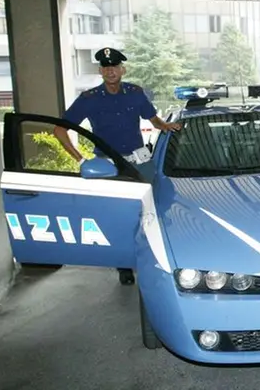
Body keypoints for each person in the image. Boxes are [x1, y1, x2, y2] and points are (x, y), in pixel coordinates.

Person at [53, 47, 181, 286]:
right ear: (101, 71)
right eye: (105, 67)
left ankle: (156, 261)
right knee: (117, 215)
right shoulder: (89, 99)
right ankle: (123, 265)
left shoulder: (135, 93)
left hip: (139, 162)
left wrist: (166, 126)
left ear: (122, 69)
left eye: (114, 67)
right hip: (109, 167)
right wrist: (81, 160)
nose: (110, 71)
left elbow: (152, 119)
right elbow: (59, 129)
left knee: (154, 212)